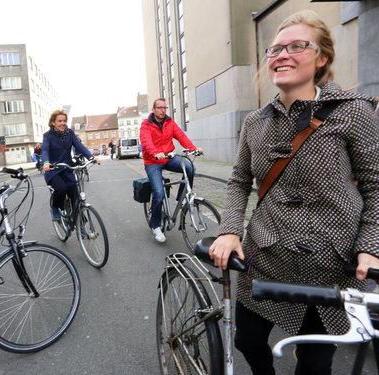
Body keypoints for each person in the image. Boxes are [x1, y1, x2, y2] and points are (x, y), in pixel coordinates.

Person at [208, 10, 379, 375]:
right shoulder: (255, 122)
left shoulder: (354, 113)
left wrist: (370, 247)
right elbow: (239, 180)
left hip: (330, 265)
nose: (282, 54)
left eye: (298, 46)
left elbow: (376, 184)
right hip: (266, 257)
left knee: (316, 365)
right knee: (247, 342)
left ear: (322, 58)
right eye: (275, 49)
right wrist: (229, 230)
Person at [140, 98, 202, 243]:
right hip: (153, 161)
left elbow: (181, 136)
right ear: (153, 109)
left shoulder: (170, 122)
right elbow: (146, 142)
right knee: (159, 192)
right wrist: (155, 152)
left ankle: (182, 197)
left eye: (165, 108)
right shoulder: (146, 125)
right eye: (160, 108)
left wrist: (193, 149)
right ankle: (155, 225)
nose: (163, 110)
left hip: (168, 158)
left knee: (190, 167)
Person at [42, 110, 99, 220]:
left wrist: (91, 157)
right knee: (61, 189)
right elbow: (44, 150)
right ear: (53, 122)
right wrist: (46, 162)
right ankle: (54, 206)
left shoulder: (70, 133)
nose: (63, 123)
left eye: (64, 121)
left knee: (75, 196)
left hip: (67, 169)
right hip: (53, 170)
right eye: (59, 121)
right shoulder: (48, 136)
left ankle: (80, 226)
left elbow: (79, 146)